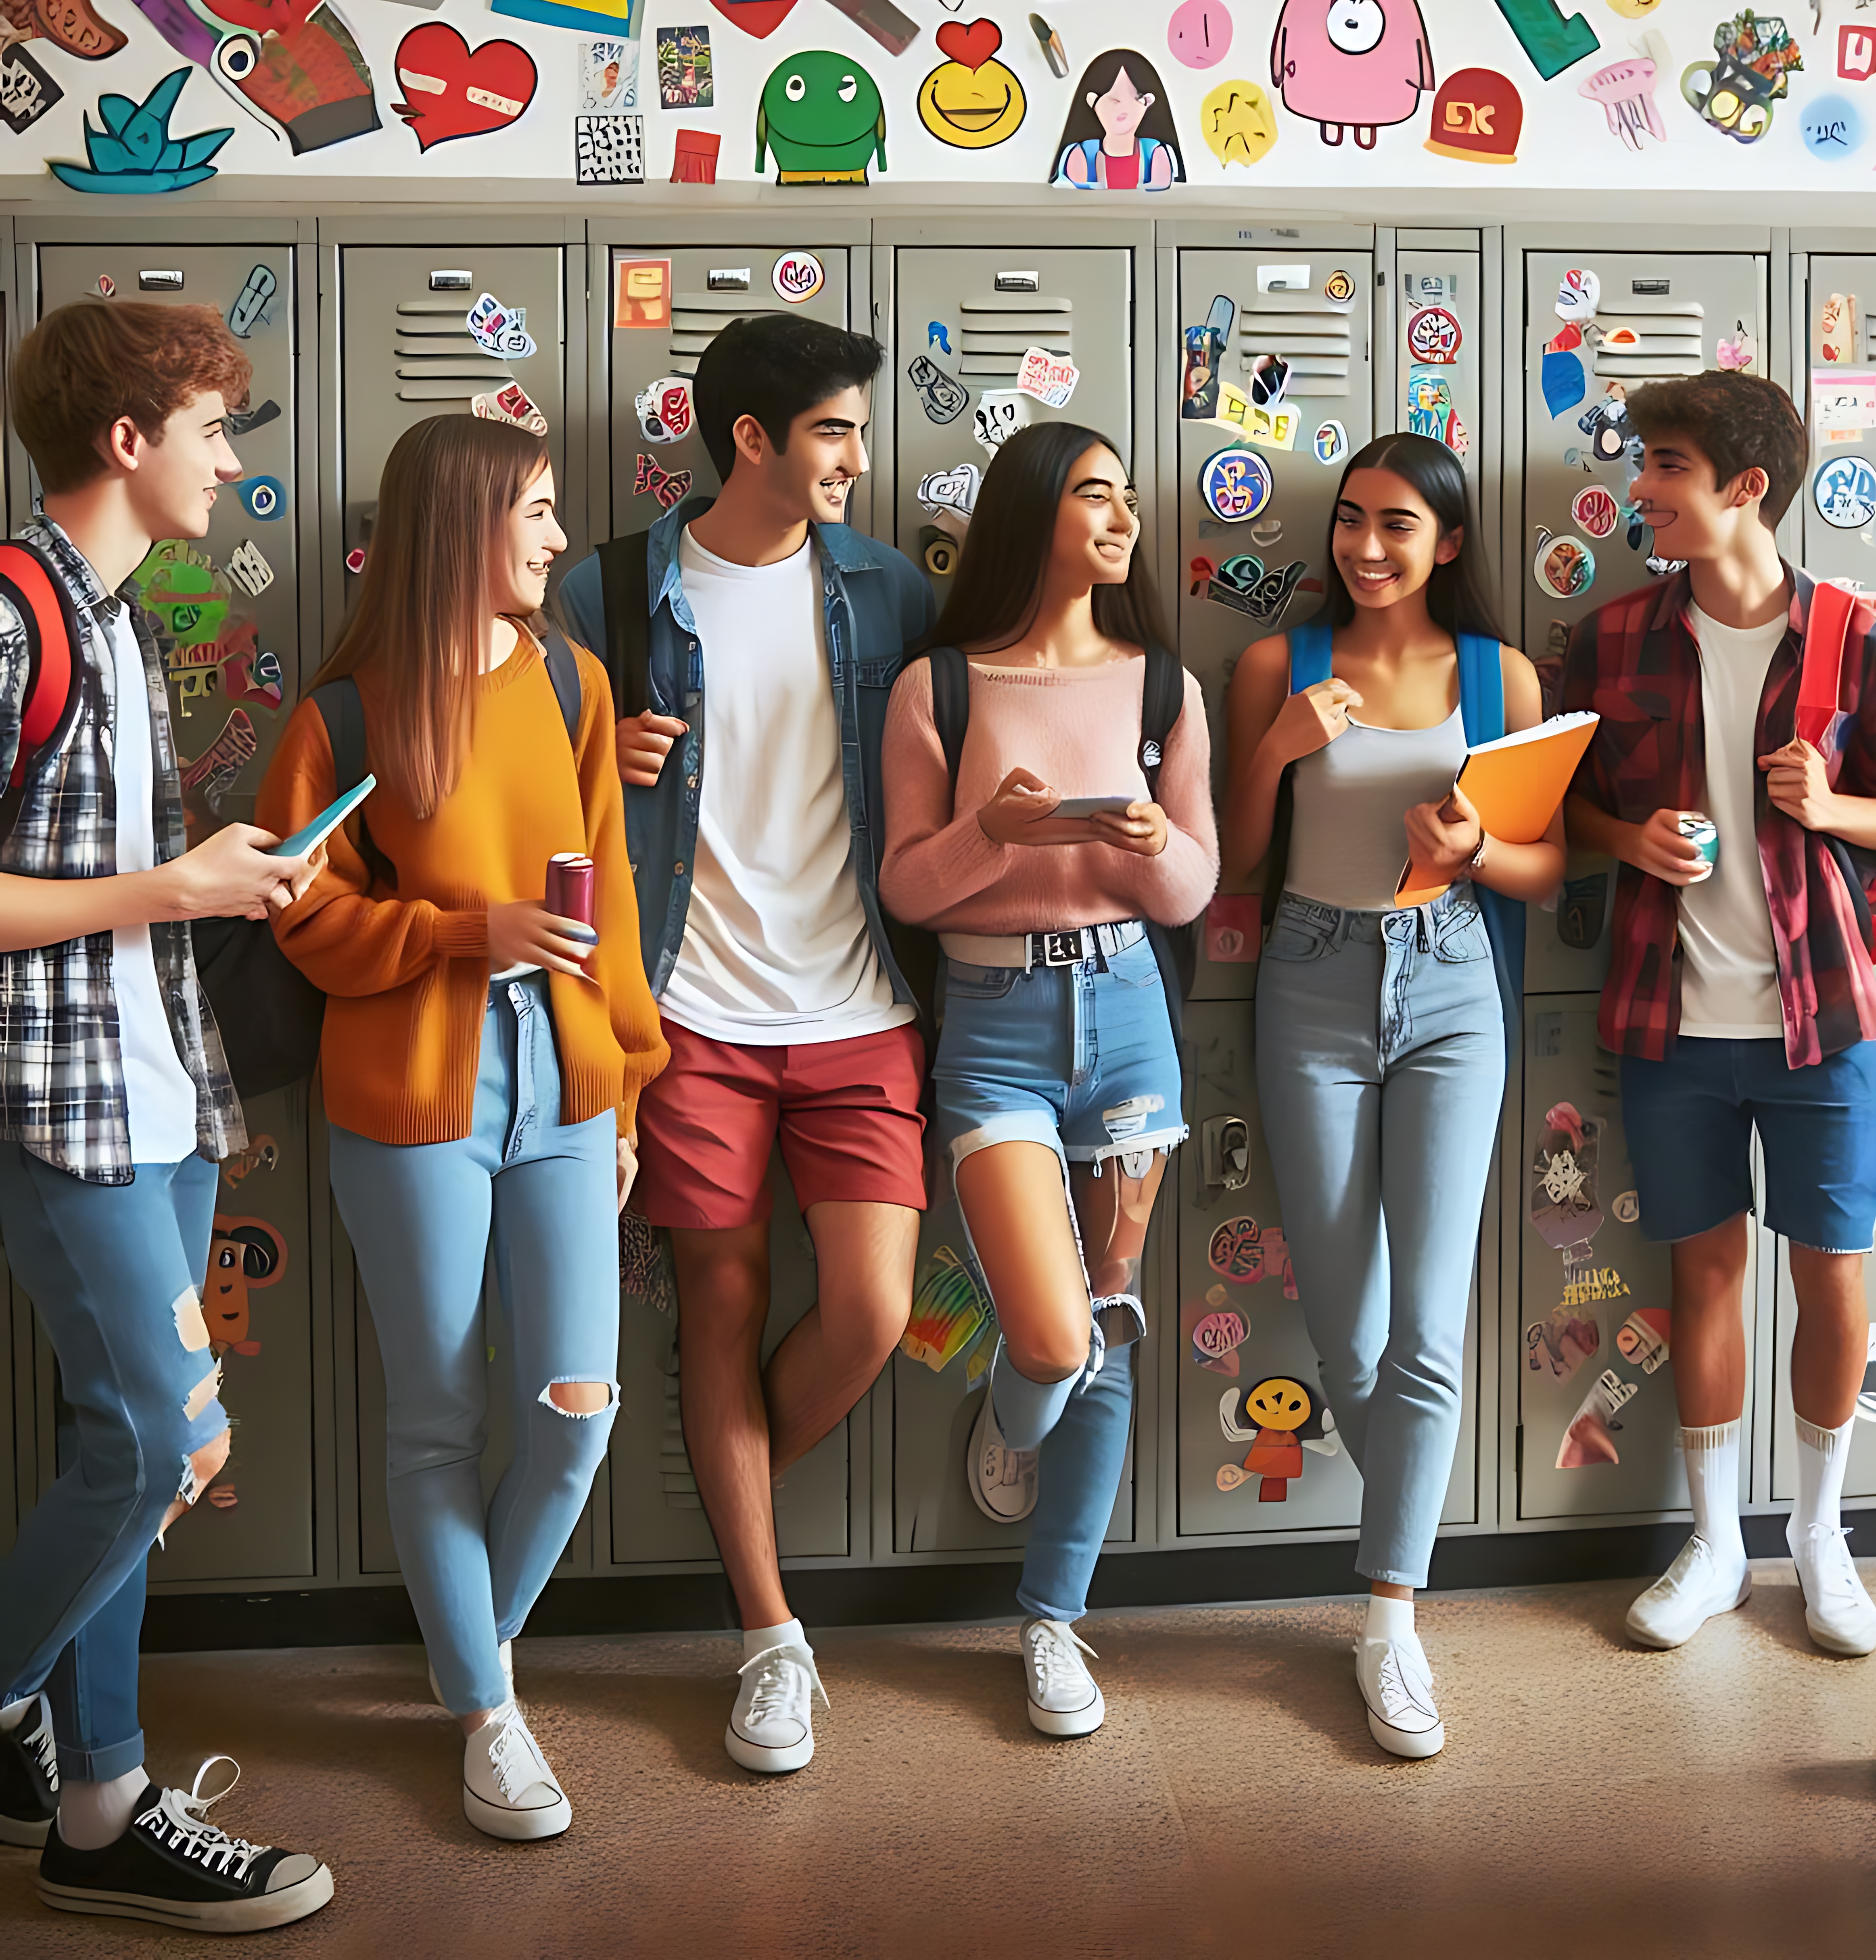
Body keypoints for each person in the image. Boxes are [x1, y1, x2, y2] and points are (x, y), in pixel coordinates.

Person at [256, 413, 665, 1840]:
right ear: (460, 526)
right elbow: (297, 910)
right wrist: (455, 931)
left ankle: (460, 1659)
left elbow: (605, 891)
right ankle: (492, 1718)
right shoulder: (347, 715)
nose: (559, 539)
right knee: (438, 1417)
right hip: (411, 1089)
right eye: (538, 513)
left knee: (576, 1414)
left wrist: (625, 1078)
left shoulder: (573, 681)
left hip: (562, 1083)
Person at [554, 317, 933, 1777]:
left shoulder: (886, 587)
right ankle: (773, 1637)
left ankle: (734, 1481)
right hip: (691, 1015)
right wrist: (605, 760)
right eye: (834, 431)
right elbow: (527, 789)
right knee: (714, 1305)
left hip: (862, 1011)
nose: (857, 455)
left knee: (874, 1311)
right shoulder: (612, 587)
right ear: (754, 440)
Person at [0, 300, 333, 1929]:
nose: (228, 454)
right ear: (127, 439)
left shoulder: (124, 628)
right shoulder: (14, 612)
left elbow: (122, 903)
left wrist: (233, 882)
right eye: (212, 424)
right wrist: (172, 880)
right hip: (54, 1109)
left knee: (123, 1451)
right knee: (155, 1437)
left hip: (157, 1097)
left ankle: (96, 1796)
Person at [1560, 372, 1876, 1660]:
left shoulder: (1855, 640)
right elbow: (1553, 809)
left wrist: (1828, 803)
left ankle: (1819, 1533)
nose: (1640, 489)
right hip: (1667, 1018)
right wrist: (1629, 837)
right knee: (1701, 1271)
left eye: (1663, 466)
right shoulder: (1613, 637)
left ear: (1742, 486)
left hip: (1818, 1019)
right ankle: (1714, 1539)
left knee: (1828, 1274)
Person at [1223, 432, 1565, 1758]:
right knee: (1346, 1336)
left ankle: (1388, 1618)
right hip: (1308, 976)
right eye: (1352, 522)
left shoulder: (1496, 674)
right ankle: (1409, 1525)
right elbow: (1232, 858)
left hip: (1451, 982)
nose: (1366, 548)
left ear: (1449, 543)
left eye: (1398, 526)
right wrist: (1276, 747)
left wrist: (1479, 846)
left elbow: (1540, 869)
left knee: (1427, 1323)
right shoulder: (1279, 665)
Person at [879, 422, 1218, 1739]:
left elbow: (1196, 885)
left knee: (1111, 1324)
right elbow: (908, 882)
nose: (1122, 516)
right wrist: (991, 831)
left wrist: (1143, 844)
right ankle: (1022, 1400)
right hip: (994, 1019)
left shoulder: (1160, 689)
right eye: (1094, 494)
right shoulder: (939, 686)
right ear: (1035, 514)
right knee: (1049, 1334)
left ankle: (1050, 1619)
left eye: (1126, 496)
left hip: (1129, 1009)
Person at [1050, 50, 1184, 191]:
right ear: (1093, 102)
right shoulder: (1082, 153)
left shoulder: (1155, 152)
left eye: (1135, 97)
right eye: (1114, 99)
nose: (1123, 106)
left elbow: (1161, 188)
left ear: (1148, 102)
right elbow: (1074, 191)